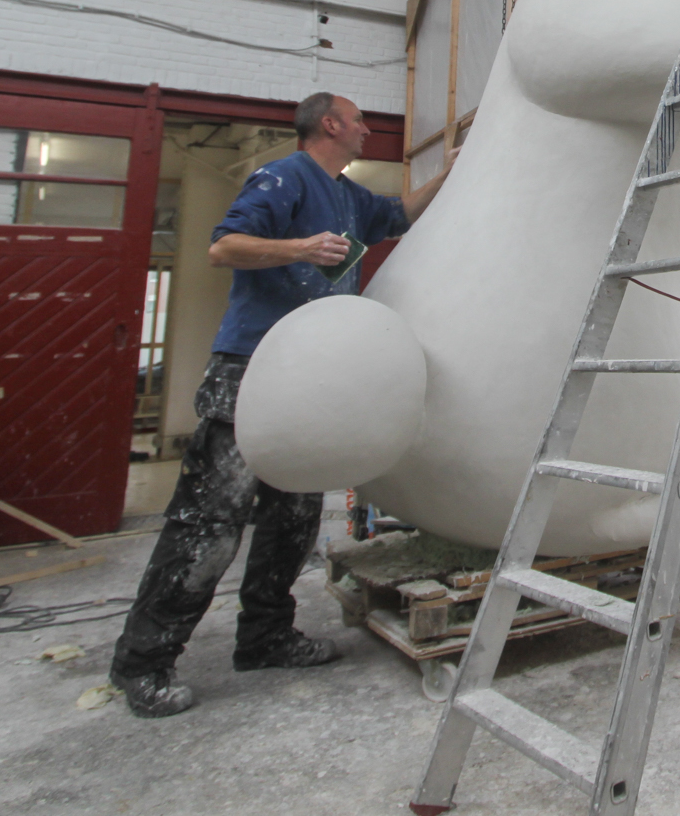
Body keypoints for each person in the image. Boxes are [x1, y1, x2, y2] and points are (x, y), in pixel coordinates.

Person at [108, 91, 451, 717]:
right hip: (252, 370)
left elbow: (400, 213)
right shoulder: (284, 177)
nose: (366, 128)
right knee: (211, 523)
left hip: (308, 378)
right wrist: (300, 248)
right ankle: (144, 660)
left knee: (293, 520)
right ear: (330, 124)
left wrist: (452, 171)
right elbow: (224, 246)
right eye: (358, 119)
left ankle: (265, 636)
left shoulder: (348, 195)